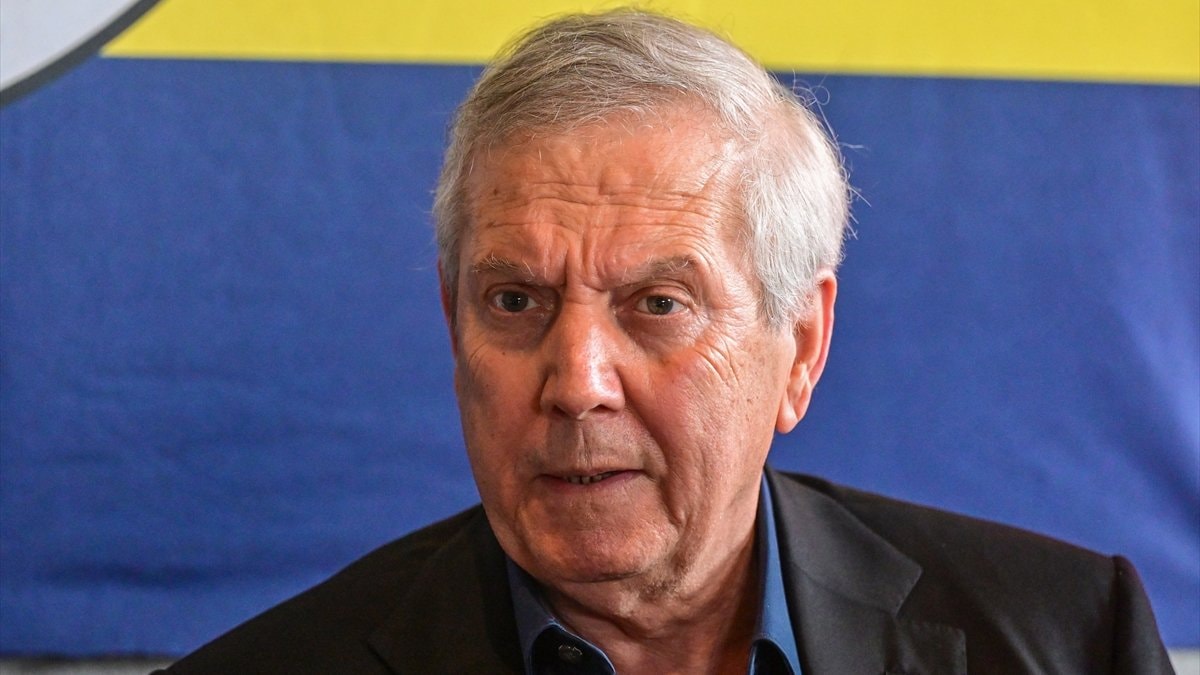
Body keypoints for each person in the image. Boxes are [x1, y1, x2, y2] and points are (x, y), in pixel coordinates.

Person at [159, 9, 1173, 674]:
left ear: (801, 347)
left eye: (656, 304)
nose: (577, 383)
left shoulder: (1069, 639)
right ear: (452, 324)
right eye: (514, 301)